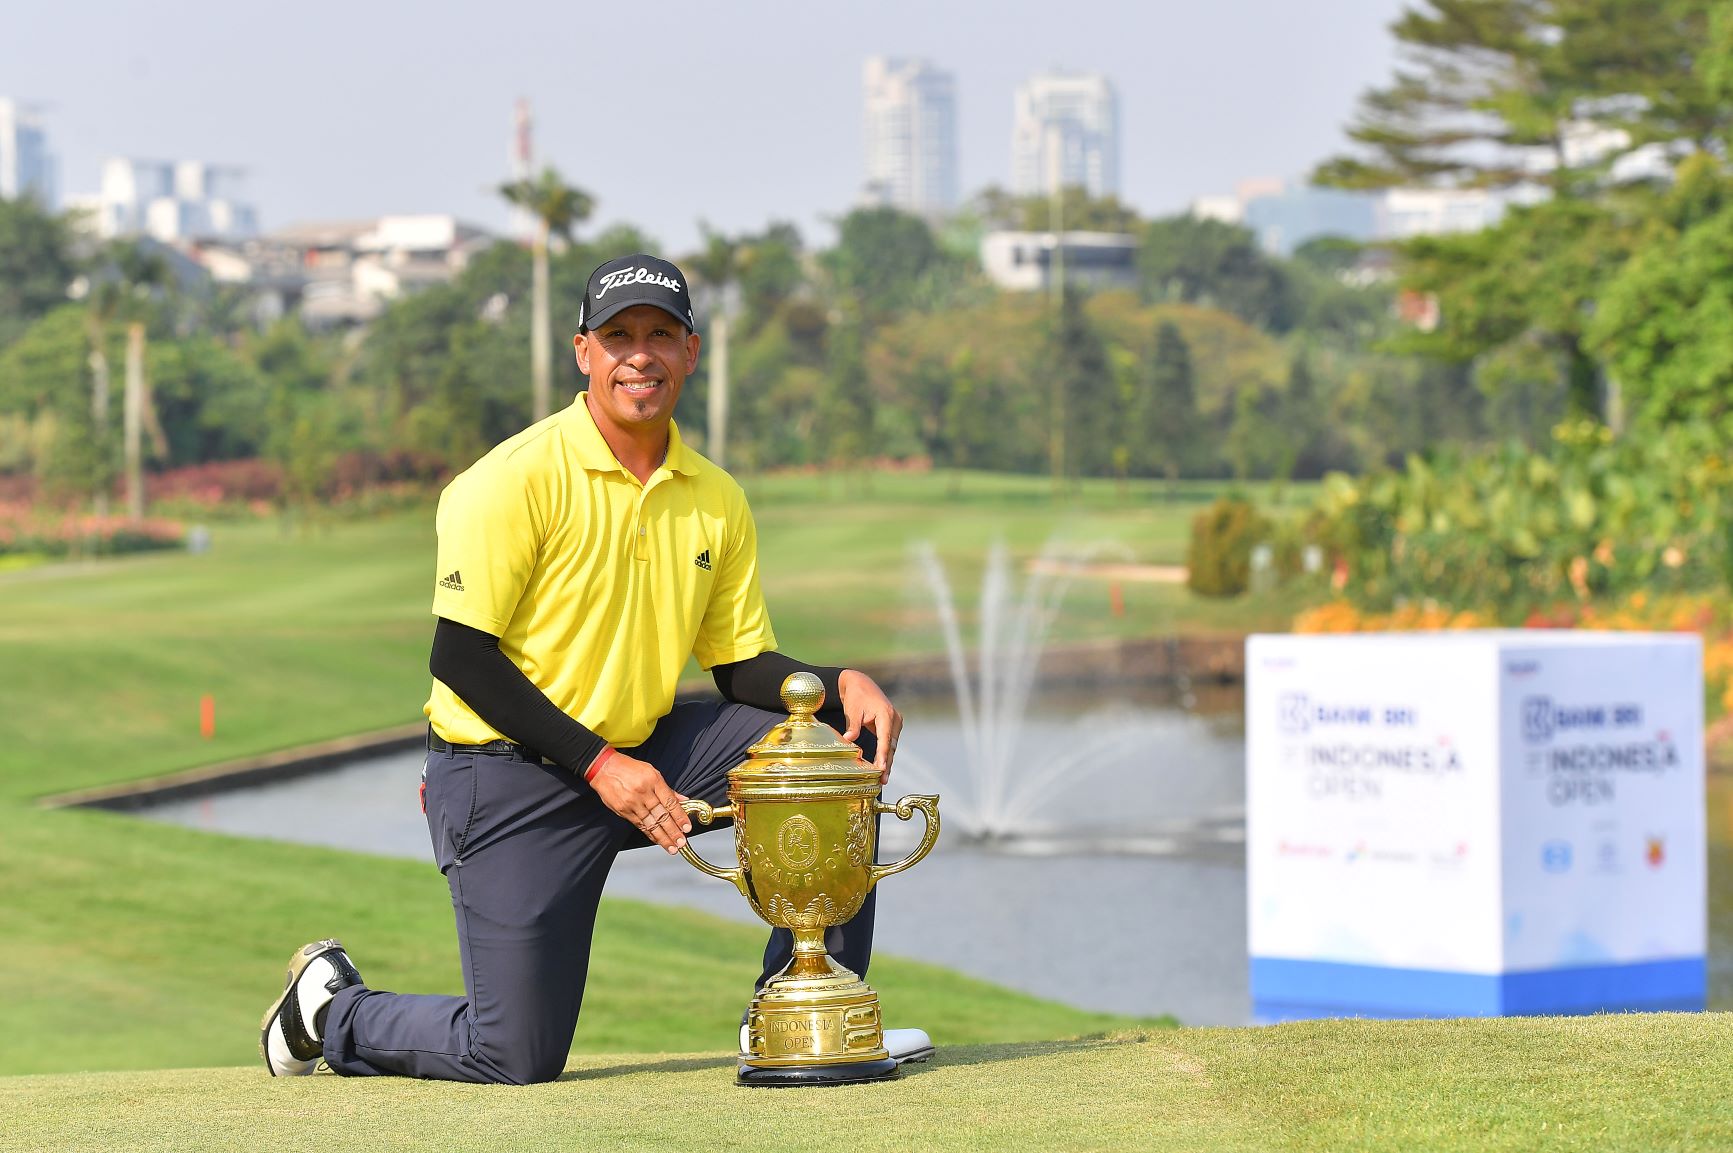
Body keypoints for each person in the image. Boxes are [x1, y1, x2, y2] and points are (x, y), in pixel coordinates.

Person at [259, 254, 930, 1084]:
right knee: (513, 1053)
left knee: (824, 748)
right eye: (618, 336)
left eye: (659, 335)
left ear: (691, 352)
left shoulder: (714, 495)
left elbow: (738, 665)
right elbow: (460, 656)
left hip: (649, 752)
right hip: (505, 772)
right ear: (584, 352)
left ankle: (801, 1013)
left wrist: (839, 684)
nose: (638, 355)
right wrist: (601, 765)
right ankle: (334, 1010)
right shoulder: (511, 479)